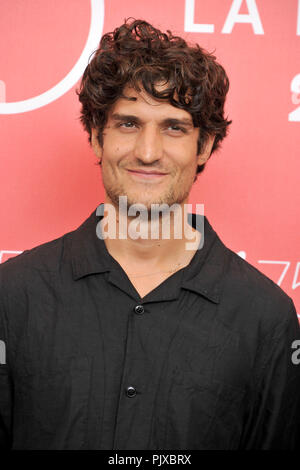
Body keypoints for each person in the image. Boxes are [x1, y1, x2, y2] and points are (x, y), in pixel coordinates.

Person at [0, 19, 299, 450]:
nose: (147, 152)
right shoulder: (14, 295)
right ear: (95, 136)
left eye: (174, 127)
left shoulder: (266, 318)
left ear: (205, 146)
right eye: (128, 124)